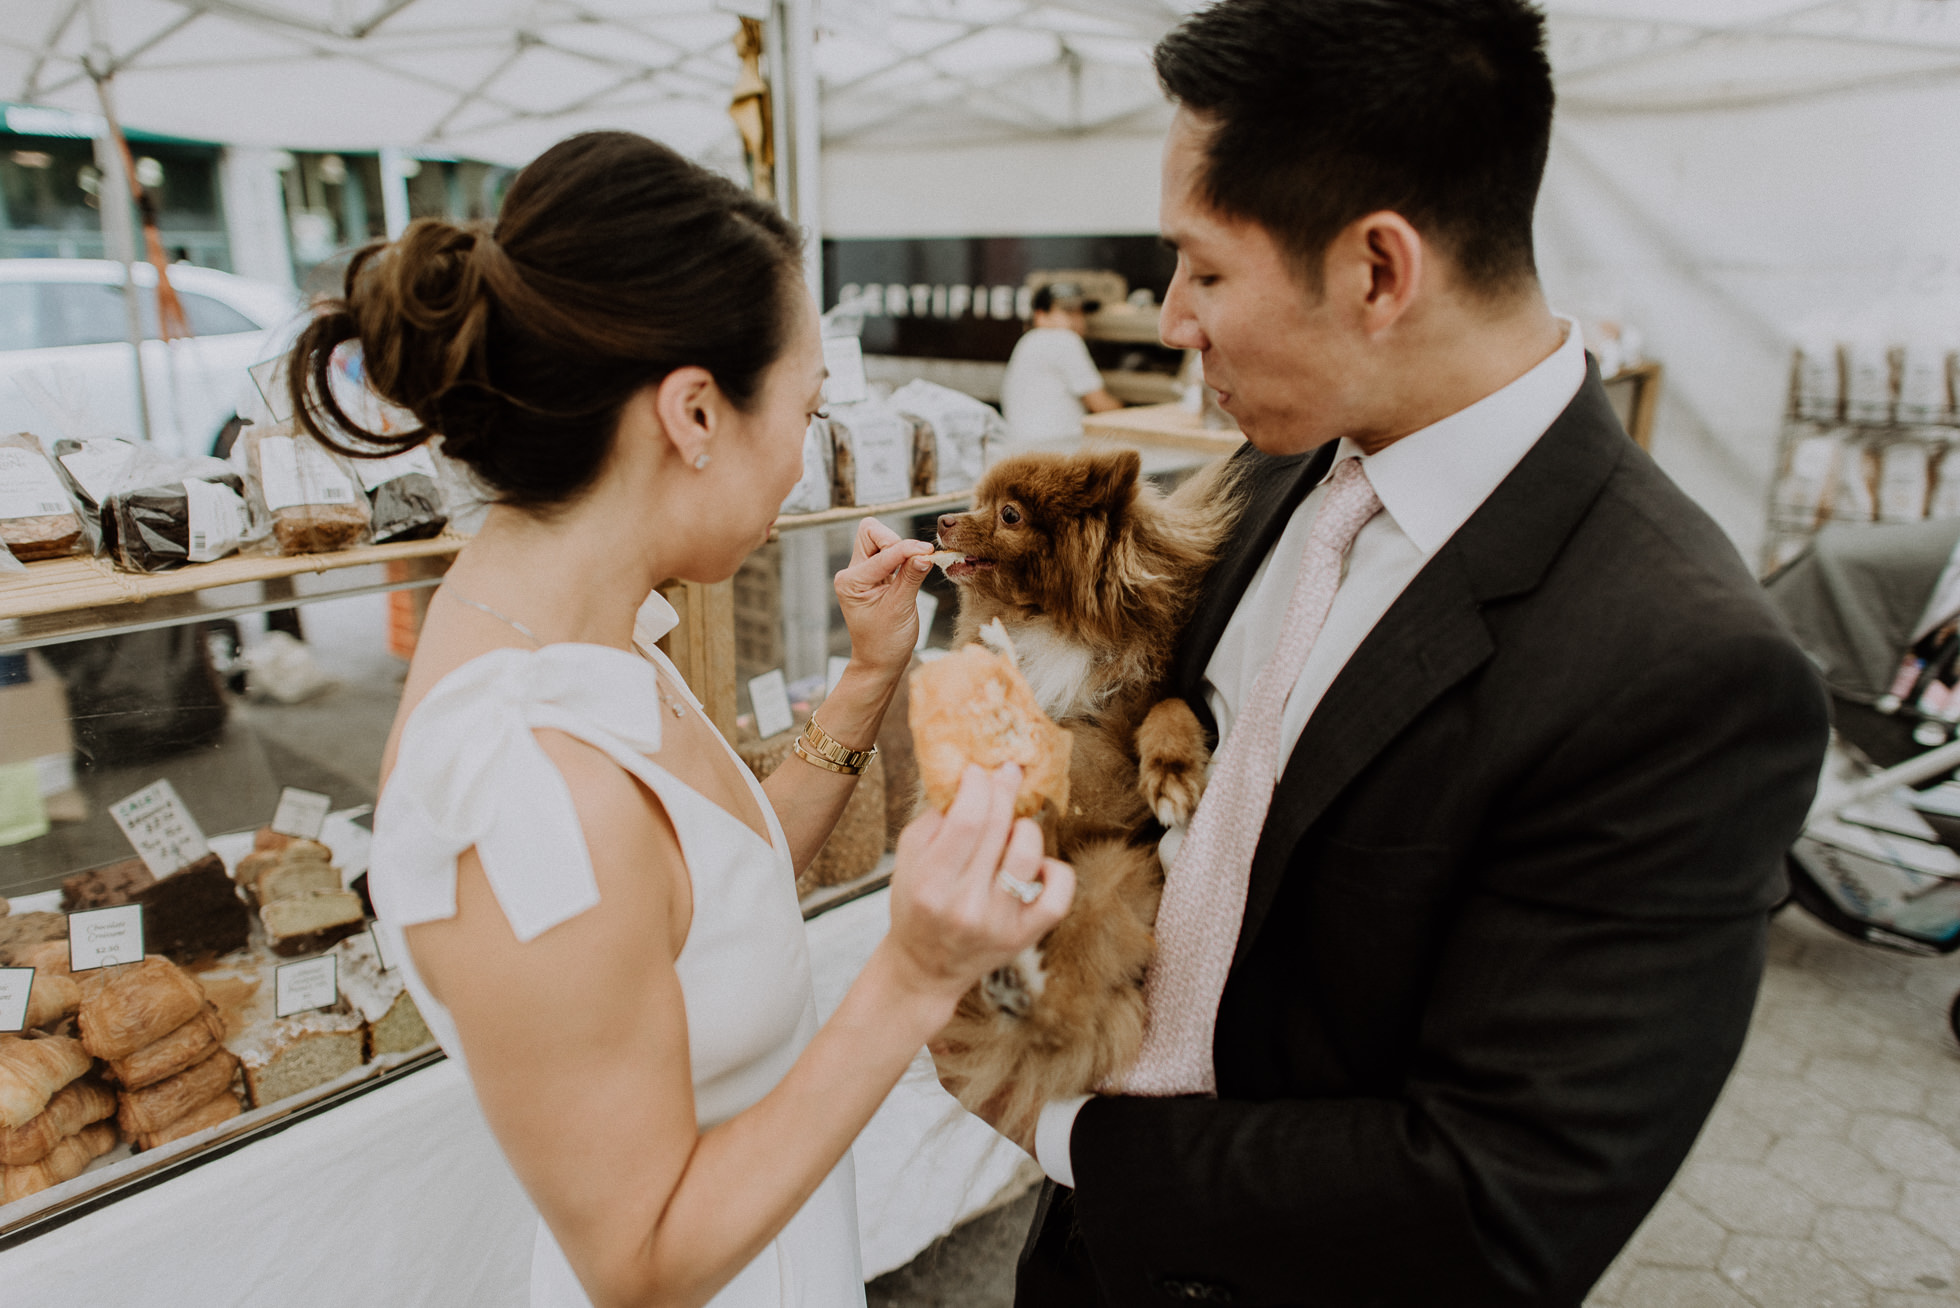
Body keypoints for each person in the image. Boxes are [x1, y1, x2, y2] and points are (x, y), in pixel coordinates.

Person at [982, 3, 1832, 1305]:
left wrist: (1058, 1130)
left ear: (1379, 271)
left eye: (1204, 270)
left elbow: (1498, 1199)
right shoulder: (1277, 474)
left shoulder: (1687, 670)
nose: (1170, 321)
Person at [287, 131, 1075, 1308]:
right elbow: (640, 1263)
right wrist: (911, 976)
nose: (803, 469)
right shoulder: (522, 784)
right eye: (802, 415)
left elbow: (712, 894)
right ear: (695, 414)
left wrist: (866, 685)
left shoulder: (580, 634)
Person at [998, 282, 1123, 448]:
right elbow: (1101, 406)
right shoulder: (1063, 339)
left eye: (1081, 312)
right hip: (1056, 452)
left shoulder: (1027, 341)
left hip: (1025, 451)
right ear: (1041, 316)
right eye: (1068, 312)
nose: (1078, 320)